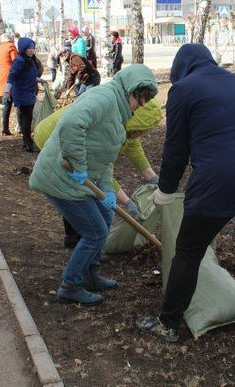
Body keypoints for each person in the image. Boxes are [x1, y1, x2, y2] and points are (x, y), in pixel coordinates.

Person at [137, 44, 235, 342]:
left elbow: (175, 148)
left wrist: (165, 190)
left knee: (188, 252)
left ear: (181, 69)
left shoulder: (183, 90)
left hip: (219, 178)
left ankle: (168, 325)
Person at [29, 64, 159, 306]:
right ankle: (70, 285)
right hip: (61, 175)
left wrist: (108, 191)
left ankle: (89, 273)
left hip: (77, 178)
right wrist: (79, 166)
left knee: (105, 216)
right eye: (138, 100)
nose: (138, 107)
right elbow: (71, 125)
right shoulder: (105, 98)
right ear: (129, 90)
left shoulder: (119, 115)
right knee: (95, 232)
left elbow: (105, 159)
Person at [33, 99, 163, 248]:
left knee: (83, 189)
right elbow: (98, 169)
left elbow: (133, 148)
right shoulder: (108, 126)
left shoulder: (127, 123)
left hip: (73, 133)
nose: (144, 134)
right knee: (72, 187)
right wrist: (127, 202)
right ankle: (77, 238)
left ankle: (86, 237)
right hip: (52, 135)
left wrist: (153, 178)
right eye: (143, 130)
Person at [5, 37, 42, 152]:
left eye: (32, 48)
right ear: (23, 49)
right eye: (29, 48)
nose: (31, 50)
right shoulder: (20, 60)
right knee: (26, 118)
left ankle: (26, 141)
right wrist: (7, 91)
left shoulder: (31, 59)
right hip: (21, 93)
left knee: (26, 118)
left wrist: (39, 80)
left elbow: (29, 75)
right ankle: (28, 143)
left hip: (29, 92)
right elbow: (12, 76)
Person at [0, 33, 19, 136]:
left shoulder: (0, 48)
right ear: (10, 39)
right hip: (10, 75)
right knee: (18, 102)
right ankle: (21, 128)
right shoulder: (11, 46)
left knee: (6, 103)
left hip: (1, 75)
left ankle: (4, 127)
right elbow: (15, 61)